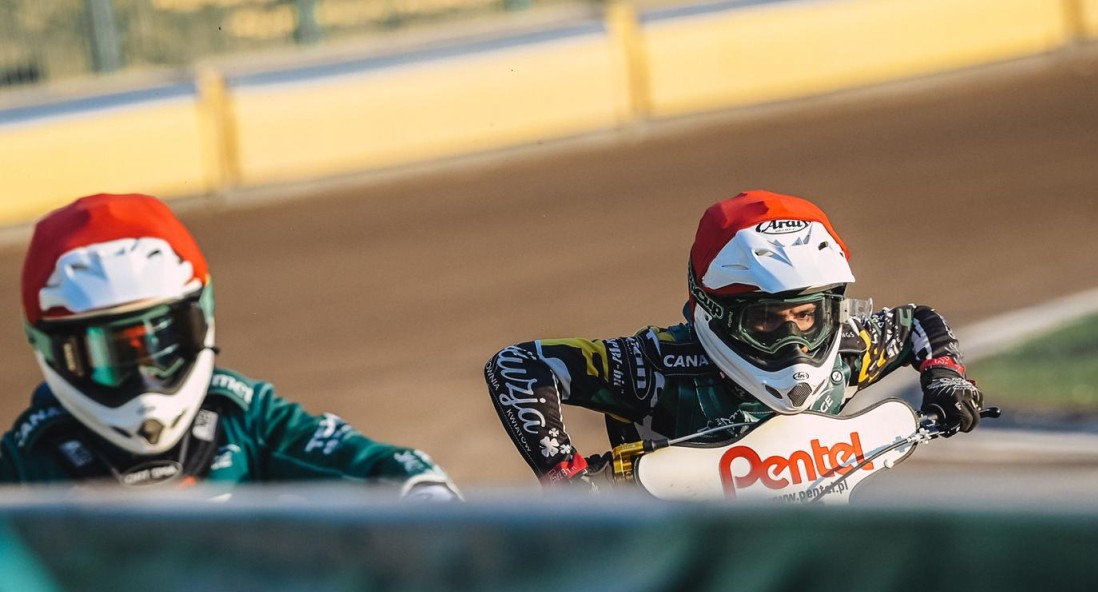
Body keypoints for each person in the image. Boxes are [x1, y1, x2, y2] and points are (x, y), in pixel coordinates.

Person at [484, 190, 984, 486]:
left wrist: (947, 379)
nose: (793, 343)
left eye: (806, 316)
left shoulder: (850, 346)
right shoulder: (657, 365)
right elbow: (517, 367)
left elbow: (919, 321)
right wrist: (566, 475)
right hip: (678, 563)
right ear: (715, 312)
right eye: (767, 321)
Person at [0, 192, 459, 498]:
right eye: (108, 357)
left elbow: (384, 466)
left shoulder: (242, 416)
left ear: (200, 319)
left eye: (160, 344)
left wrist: (425, 495)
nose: (143, 380)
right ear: (51, 351)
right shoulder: (24, 463)